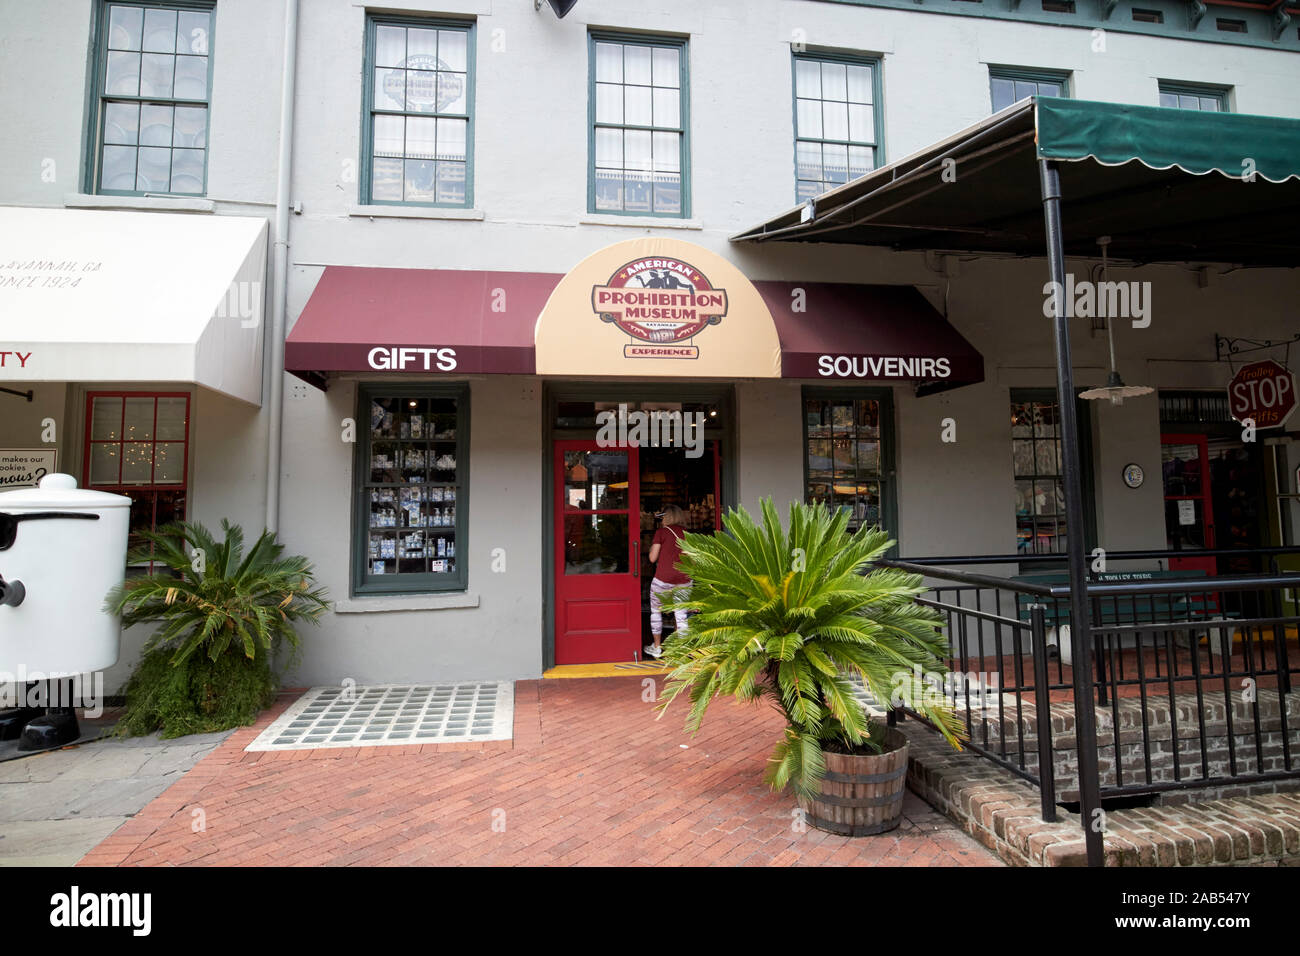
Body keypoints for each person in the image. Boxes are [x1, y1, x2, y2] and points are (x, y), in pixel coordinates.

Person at [645, 505, 691, 659]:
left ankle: (657, 647)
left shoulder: (661, 533)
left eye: (663, 516)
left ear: (668, 516)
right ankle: (682, 650)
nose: (662, 519)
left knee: (656, 611)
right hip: (683, 579)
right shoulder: (687, 534)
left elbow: (652, 558)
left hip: (663, 579)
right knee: (681, 615)